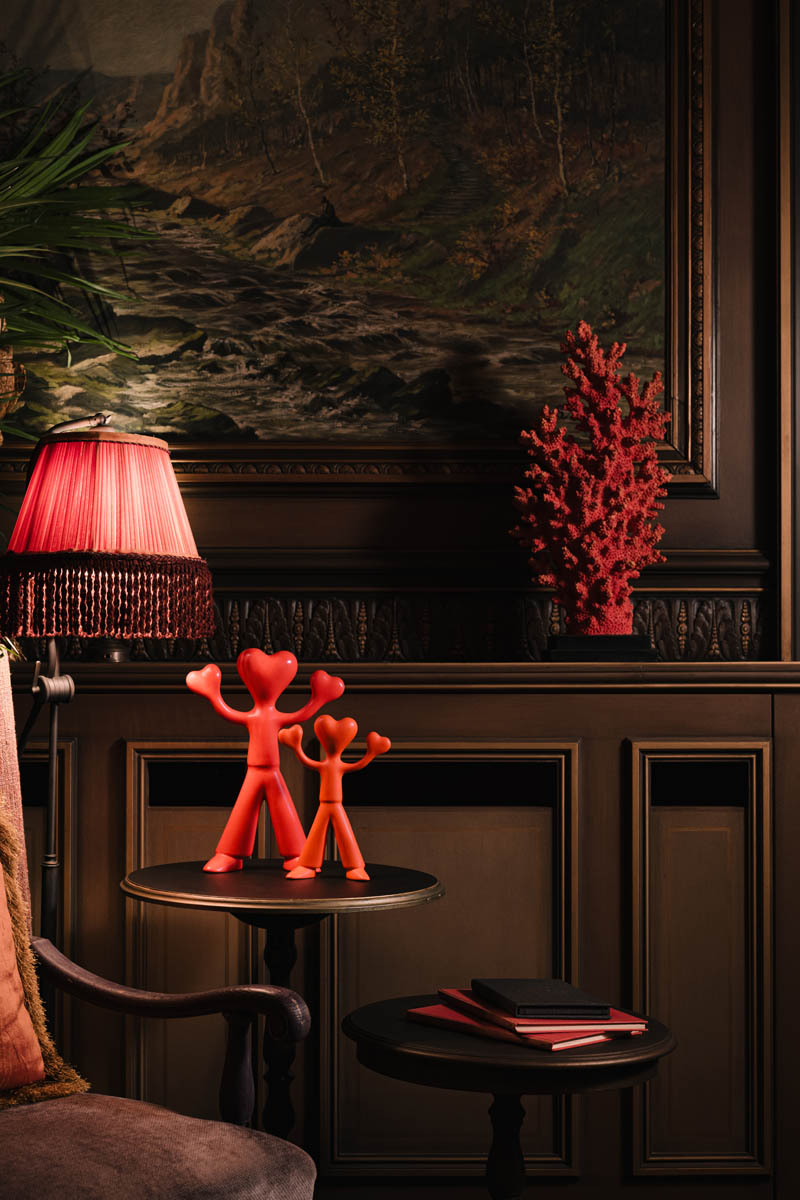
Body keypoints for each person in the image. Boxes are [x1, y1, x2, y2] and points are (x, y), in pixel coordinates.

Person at [186, 650, 344, 872]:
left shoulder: (271, 716)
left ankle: (298, 856)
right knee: (244, 810)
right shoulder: (254, 716)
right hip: (254, 770)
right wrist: (212, 694)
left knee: (283, 808)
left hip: (272, 771)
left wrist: (319, 698)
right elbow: (227, 711)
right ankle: (230, 854)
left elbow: (303, 714)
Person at [279, 715, 390, 880]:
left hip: (336, 804)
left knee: (344, 833)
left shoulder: (335, 765)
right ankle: (307, 866)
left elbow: (358, 764)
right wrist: (296, 747)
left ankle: (355, 867)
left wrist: (372, 753)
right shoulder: (326, 765)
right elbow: (307, 761)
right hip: (324, 804)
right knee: (317, 833)